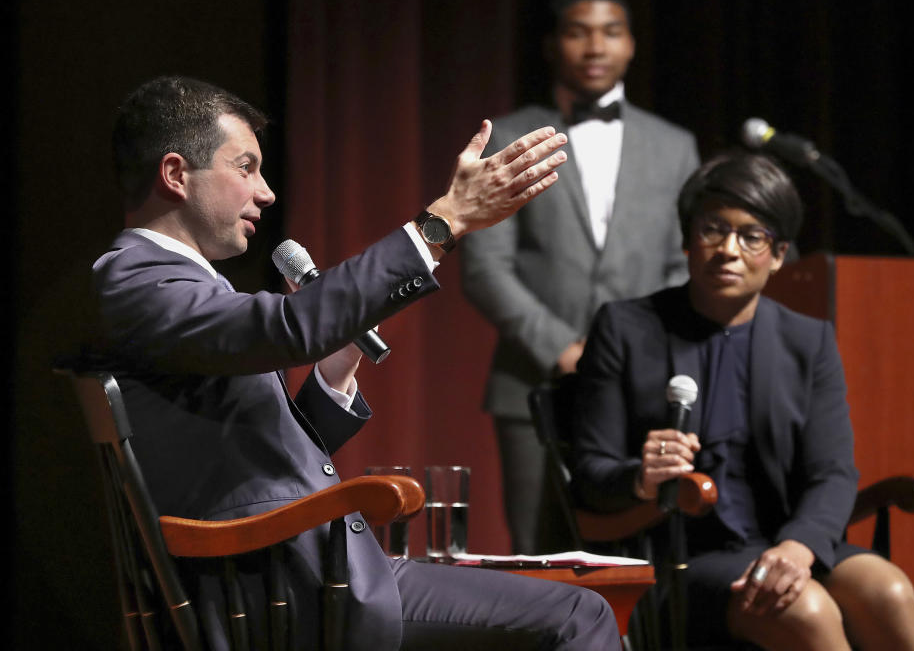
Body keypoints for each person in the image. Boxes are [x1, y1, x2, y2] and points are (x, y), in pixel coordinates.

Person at [79, 76, 619, 651]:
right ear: (175, 174)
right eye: (245, 167)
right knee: (577, 617)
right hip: (282, 591)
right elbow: (286, 328)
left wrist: (335, 370)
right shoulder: (135, 277)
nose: (265, 193)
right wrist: (441, 224)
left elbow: (261, 452)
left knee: (577, 605)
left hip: (301, 575)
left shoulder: (179, 283)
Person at [570, 152, 914, 649]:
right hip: (679, 558)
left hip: (784, 542)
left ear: (779, 253)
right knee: (806, 610)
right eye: (712, 229)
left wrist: (800, 546)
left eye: (752, 236)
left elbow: (833, 471)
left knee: (889, 590)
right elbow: (590, 472)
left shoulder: (807, 341)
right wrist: (639, 478)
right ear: (686, 240)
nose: (729, 250)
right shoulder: (627, 329)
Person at [461, 0, 700, 555]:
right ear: (552, 46)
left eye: (611, 31)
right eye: (578, 31)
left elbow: (680, 260)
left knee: (648, 547)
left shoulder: (674, 145)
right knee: (537, 549)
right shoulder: (510, 135)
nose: (595, 45)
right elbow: (486, 264)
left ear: (632, 45)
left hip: (645, 381)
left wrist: (637, 347)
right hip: (533, 381)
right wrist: (564, 349)